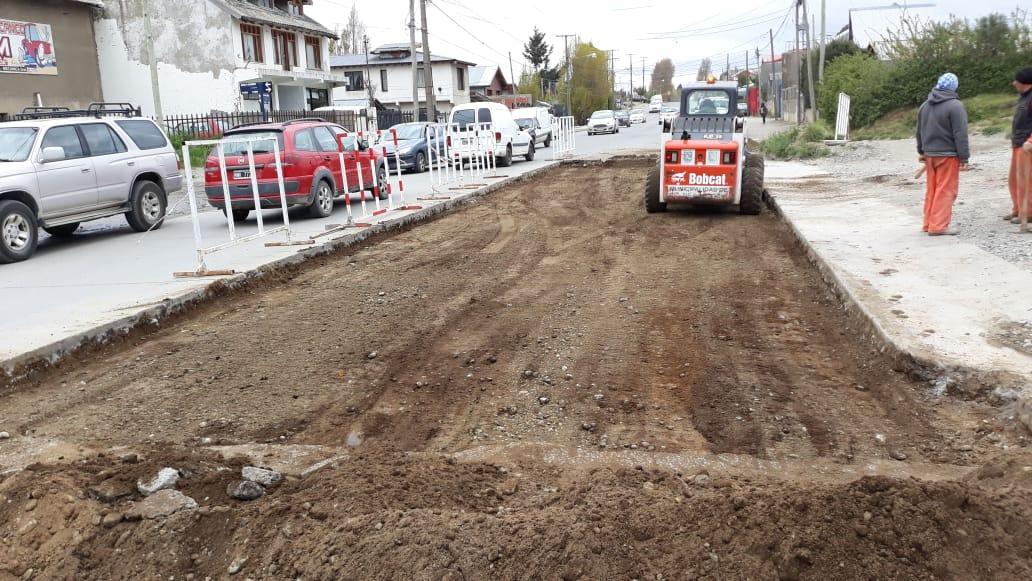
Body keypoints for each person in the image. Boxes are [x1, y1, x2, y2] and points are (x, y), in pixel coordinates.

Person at [916, 72, 970, 236]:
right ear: (954, 87)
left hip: (930, 155)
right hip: (948, 155)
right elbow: (960, 134)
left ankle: (928, 223)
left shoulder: (925, 105)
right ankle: (938, 226)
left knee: (932, 189)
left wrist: (922, 151)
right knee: (946, 190)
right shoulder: (955, 106)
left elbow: (919, 131)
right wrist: (964, 157)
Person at [1006, 67, 1032, 228]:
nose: (1014, 83)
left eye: (1017, 80)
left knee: (1026, 181)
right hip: (1018, 144)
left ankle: (1028, 212)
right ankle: (1017, 209)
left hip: (1027, 146)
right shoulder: (1023, 97)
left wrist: (1031, 141)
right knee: (1014, 180)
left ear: (1025, 83)